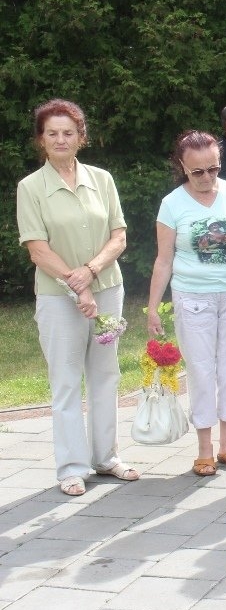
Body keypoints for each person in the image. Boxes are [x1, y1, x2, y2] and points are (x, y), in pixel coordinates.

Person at [16, 99, 138, 496]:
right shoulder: (30, 188)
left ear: (81, 137)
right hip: (58, 298)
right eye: (52, 133)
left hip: (107, 290)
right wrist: (77, 285)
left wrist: (90, 272)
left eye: (68, 132)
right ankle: (71, 467)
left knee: (105, 375)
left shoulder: (102, 179)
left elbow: (118, 236)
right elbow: (38, 249)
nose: (60, 139)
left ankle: (106, 458)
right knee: (66, 382)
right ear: (41, 140)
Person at [148, 130, 226, 477]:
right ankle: (204, 450)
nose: (206, 177)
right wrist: (153, 308)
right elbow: (164, 260)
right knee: (201, 372)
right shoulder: (172, 204)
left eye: (213, 169)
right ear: (182, 167)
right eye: (197, 171)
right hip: (193, 298)